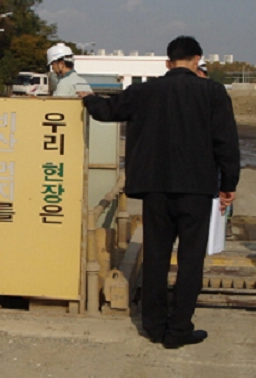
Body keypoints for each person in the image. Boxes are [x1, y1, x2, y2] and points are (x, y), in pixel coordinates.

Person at [80, 36, 240, 349]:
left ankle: (153, 327)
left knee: (155, 256)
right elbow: (226, 142)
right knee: (190, 261)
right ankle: (179, 330)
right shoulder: (213, 92)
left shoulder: (144, 91)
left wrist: (88, 98)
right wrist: (228, 185)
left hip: (154, 189)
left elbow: (107, 110)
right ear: (197, 60)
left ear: (167, 63)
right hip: (196, 189)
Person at [195, 58, 234, 240]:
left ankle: (222, 224)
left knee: (219, 196)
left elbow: (225, 140)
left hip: (211, 160)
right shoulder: (208, 94)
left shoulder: (214, 94)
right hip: (200, 163)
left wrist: (229, 183)